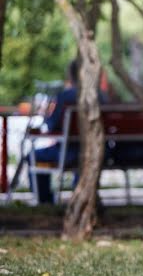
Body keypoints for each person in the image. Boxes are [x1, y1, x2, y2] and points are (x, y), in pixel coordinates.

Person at [30, 58, 107, 204]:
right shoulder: (101, 96)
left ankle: (45, 200)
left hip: (68, 151)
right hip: (98, 150)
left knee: (33, 156)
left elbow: (52, 125)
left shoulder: (65, 96)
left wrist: (46, 118)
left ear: (71, 76)